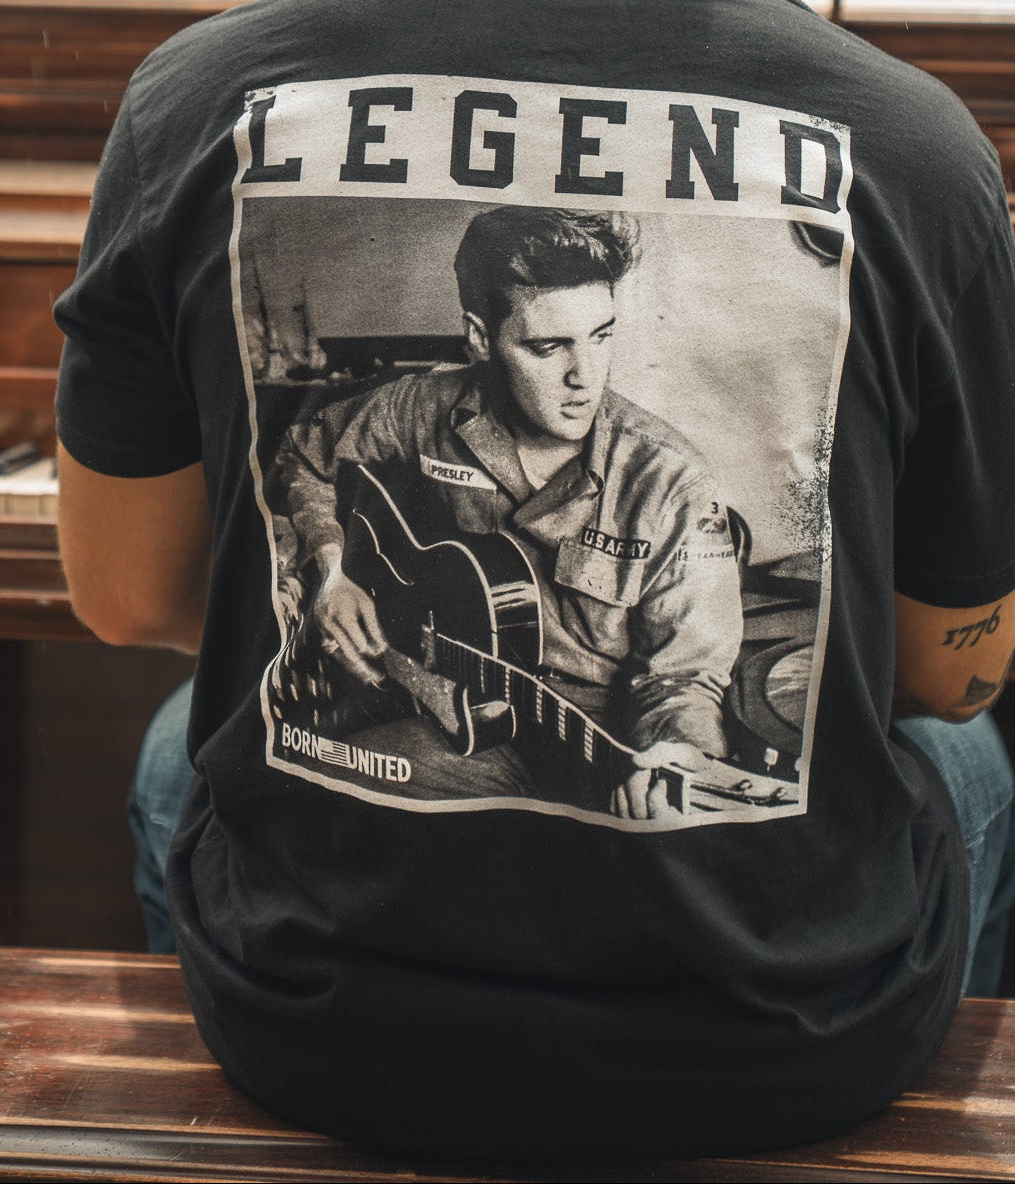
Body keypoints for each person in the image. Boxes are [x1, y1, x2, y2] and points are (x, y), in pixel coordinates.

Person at [53, 0, 1015, 1163]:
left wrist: (662, 743)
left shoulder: (198, 100)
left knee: (172, 747)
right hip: (766, 1051)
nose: (568, 373)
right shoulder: (914, 149)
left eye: (593, 341)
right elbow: (952, 665)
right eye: (536, 340)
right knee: (977, 769)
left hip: (325, 1030)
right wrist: (336, 572)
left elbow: (129, 593)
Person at [274, 204, 747, 820]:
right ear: (480, 338)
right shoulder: (424, 407)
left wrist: (679, 755)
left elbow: (684, 680)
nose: (585, 377)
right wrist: (333, 571)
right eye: (548, 347)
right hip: (458, 710)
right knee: (314, 794)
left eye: (601, 336)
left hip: (599, 744)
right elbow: (304, 455)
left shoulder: (670, 481)